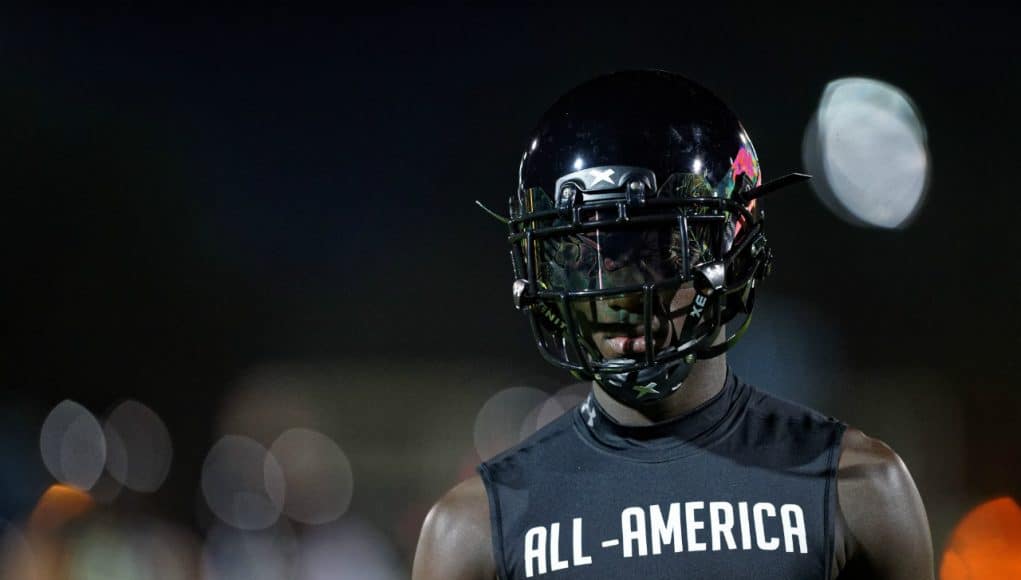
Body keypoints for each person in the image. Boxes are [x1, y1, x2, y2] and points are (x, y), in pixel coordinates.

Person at [413, 70, 934, 579]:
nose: (615, 292)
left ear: (733, 249)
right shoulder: (471, 533)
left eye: (657, 249)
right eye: (577, 254)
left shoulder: (861, 491)